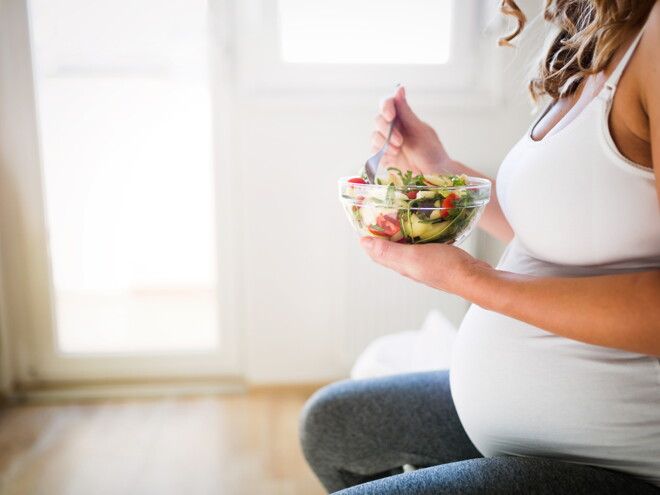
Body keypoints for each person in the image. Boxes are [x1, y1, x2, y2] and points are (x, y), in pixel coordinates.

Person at [299, 0, 660, 493]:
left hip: (617, 460)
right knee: (332, 426)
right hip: (532, 432)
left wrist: (468, 279)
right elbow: (560, 230)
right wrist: (437, 161)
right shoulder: (602, 36)